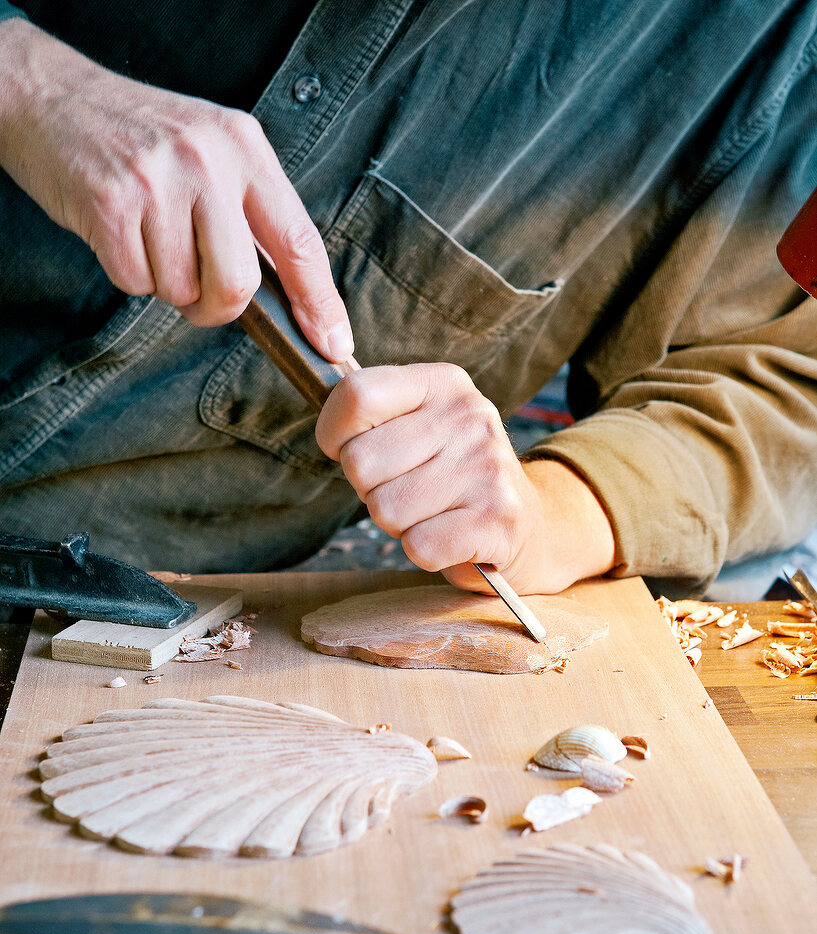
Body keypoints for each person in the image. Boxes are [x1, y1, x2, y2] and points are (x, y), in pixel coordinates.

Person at [0, 1, 815, 600]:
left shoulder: (779, 45)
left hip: (128, 599)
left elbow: (784, 379)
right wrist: (29, 84)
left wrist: (549, 515)